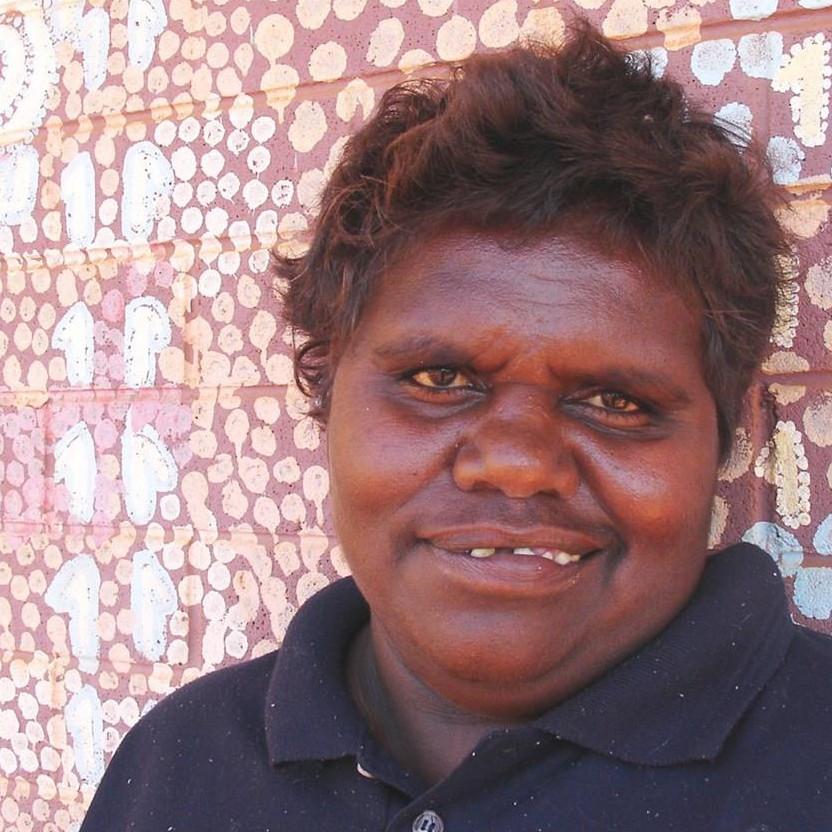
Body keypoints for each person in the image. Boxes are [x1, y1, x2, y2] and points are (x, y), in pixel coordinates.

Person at [80, 21, 832, 832]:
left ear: (726, 439)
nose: (515, 462)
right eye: (440, 380)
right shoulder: (176, 766)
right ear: (327, 397)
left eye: (615, 401)